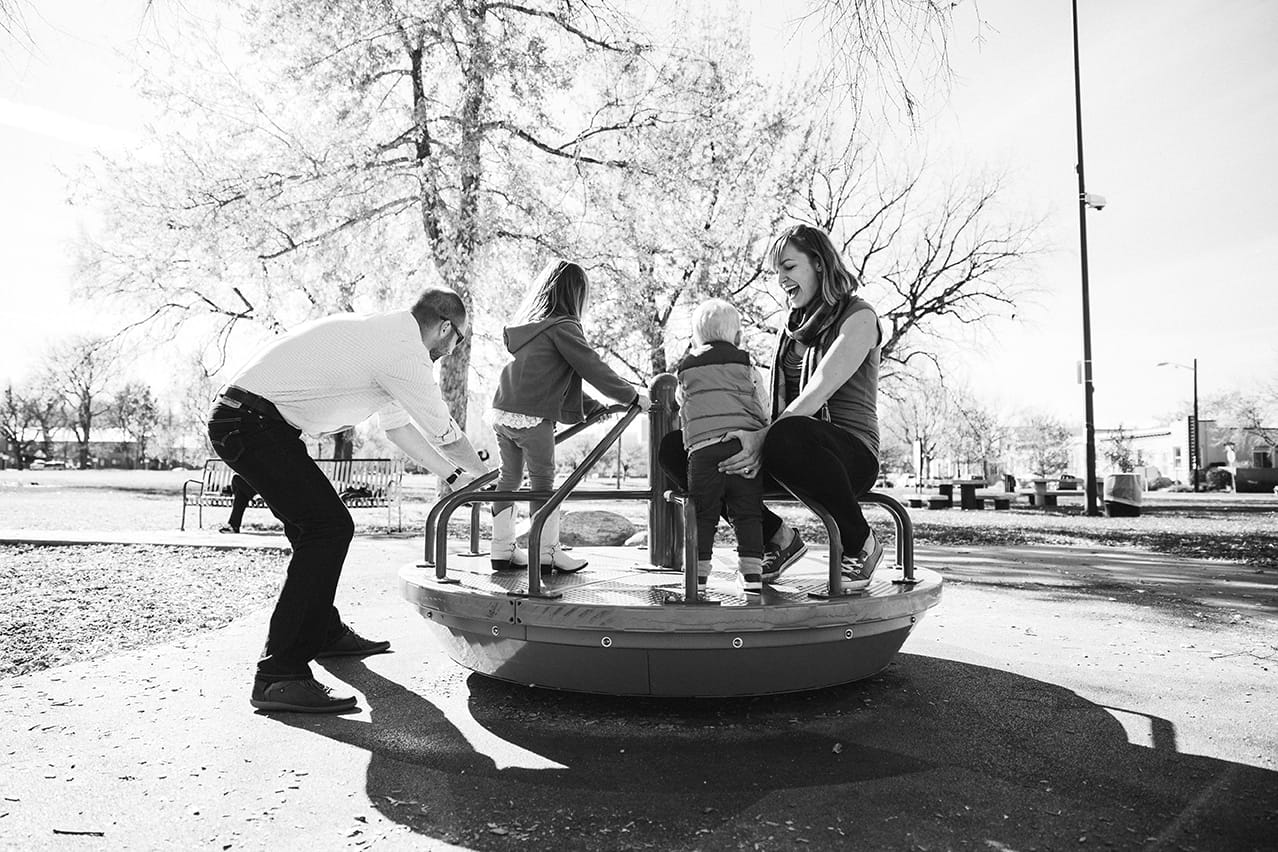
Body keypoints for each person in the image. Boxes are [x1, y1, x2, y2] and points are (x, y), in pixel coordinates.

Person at [208, 287, 490, 714]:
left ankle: (322, 629)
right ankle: (279, 675)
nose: (454, 350)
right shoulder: (402, 349)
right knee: (328, 527)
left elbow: (400, 430)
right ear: (446, 328)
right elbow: (444, 430)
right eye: (459, 340)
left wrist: (453, 475)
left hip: (254, 422)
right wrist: (488, 479)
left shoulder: (387, 340)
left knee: (315, 528)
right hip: (250, 422)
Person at [659, 224, 885, 590]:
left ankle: (860, 541)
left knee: (786, 434)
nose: (781, 278)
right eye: (777, 270)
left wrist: (761, 438)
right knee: (679, 449)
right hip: (785, 445)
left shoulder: (859, 317)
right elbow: (767, 407)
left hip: (847, 453)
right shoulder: (791, 328)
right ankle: (777, 538)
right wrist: (739, 436)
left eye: (789, 267)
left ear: (819, 264)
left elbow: (818, 389)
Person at [489, 260, 650, 573]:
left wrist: (590, 407)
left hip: (502, 409)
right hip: (532, 416)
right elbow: (590, 366)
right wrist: (631, 396)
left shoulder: (533, 329)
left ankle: (502, 548)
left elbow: (550, 378)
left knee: (508, 478)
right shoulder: (564, 327)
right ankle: (545, 551)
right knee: (542, 481)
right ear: (576, 295)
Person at [672, 299, 770, 593]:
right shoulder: (747, 365)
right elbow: (761, 404)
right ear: (738, 337)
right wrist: (762, 429)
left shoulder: (686, 369)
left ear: (695, 339)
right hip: (742, 448)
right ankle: (752, 576)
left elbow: (682, 402)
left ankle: (698, 577)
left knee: (703, 514)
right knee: (748, 512)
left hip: (703, 453)